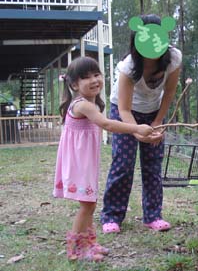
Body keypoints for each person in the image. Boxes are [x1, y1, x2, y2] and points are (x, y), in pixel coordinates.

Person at [53, 56, 153, 262]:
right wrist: (136, 128)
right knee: (87, 205)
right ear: (74, 84)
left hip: (85, 163)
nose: (94, 80)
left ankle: (89, 243)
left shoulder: (90, 103)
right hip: (79, 164)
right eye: (86, 77)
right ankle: (76, 250)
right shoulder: (82, 105)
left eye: (96, 74)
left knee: (90, 202)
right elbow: (107, 125)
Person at [100, 14, 182, 233]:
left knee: (153, 164)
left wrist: (157, 123)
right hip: (125, 111)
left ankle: (153, 215)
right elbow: (125, 109)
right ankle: (112, 216)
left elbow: (170, 92)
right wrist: (136, 131)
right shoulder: (128, 67)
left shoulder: (173, 58)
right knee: (123, 164)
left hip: (154, 110)